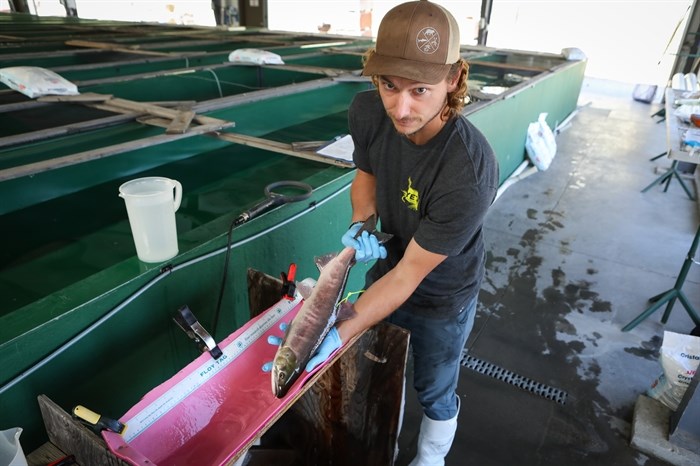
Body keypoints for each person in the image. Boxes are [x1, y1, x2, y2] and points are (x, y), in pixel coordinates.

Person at [270, 1, 498, 464]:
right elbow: (367, 175)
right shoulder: (369, 112)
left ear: (453, 79)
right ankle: (383, 447)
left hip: (441, 295)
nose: (401, 107)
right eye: (389, 85)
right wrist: (361, 224)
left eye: (420, 89)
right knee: (380, 370)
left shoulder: (467, 171)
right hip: (388, 272)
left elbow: (409, 276)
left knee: (434, 386)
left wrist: (334, 329)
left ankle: (430, 457)